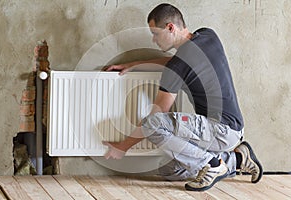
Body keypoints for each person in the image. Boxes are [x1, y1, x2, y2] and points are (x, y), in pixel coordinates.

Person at [103, 3, 263, 191]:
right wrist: (136, 64)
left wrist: (123, 146)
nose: (154, 41)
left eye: (155, 34)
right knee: (171, 170)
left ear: (170, 27)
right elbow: (180, 61)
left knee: (152, 124)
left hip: (219, 131)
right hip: (232, 129)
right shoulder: (208, 36)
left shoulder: (177, 67)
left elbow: (156, 116)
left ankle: (212, 165)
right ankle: (237, 159)